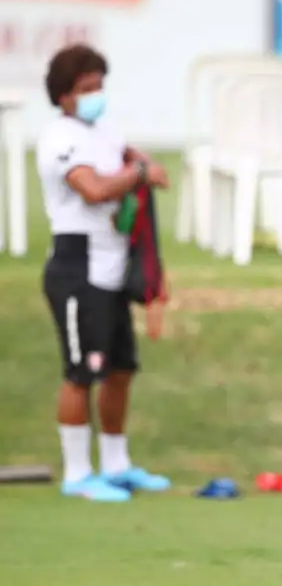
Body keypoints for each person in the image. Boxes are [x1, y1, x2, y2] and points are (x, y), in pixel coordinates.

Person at [37, 43, 172, 502]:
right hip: (76, 269)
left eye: (99, 86)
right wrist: (137, 173)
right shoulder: (61, 138)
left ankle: (116, 464)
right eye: (85, 88)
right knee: (81, 372)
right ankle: (77, 472)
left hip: (114, 267)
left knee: (120, 370)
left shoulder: (106, 131)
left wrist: (143, 167)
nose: (96, 95)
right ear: (63, 95)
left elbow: (145, 164)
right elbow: (93, 189)